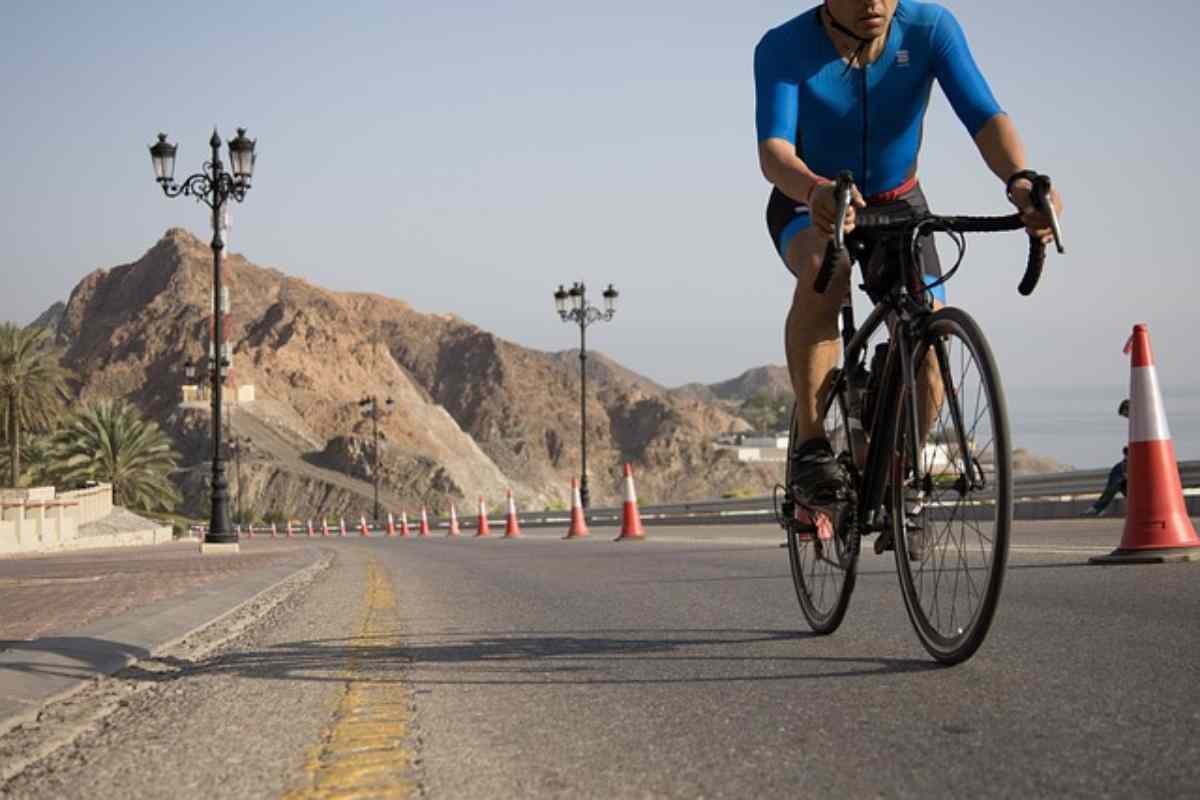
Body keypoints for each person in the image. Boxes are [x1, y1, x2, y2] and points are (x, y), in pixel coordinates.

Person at [754, 0, 1064, 505]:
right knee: (822, 271)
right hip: (810, 201)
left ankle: (902, 467)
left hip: (900, 202)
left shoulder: (930, 28)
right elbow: (775, 152)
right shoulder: (782, 46)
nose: (874, 4)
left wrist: (1019, 179)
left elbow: (984, 115)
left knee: (932, 329)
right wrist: (814, 190)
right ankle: (811, 446)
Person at [1082, 400, 1131, 517]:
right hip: (1134, 461)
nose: (1127, 418)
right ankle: (1098, 507)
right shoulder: (1140, 421)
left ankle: (1098, 508)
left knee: (1118, 475)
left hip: (1136, 463)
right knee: (1121, 482)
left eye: (1126, 415)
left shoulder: (1138, 421)